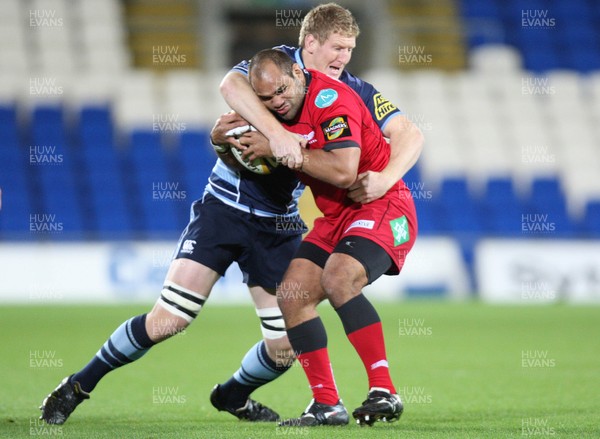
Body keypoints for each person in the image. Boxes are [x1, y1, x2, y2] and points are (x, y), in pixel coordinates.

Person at [210, 2, 423, 421]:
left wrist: (382, 177)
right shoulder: (276, 80)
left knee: (340, 276)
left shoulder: (345, 92)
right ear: (308, 45)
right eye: (337, 47)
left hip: (380, 203)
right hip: (334, 216)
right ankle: (327, 404)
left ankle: (385, 390)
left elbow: (359, 164)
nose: (344, 57)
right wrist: (232, 140)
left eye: (349, 49)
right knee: (292, 296)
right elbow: (231, 86)